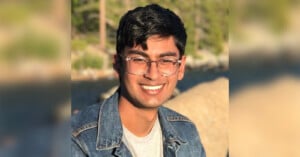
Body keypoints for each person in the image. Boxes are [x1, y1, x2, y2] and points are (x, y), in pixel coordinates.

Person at [72, 4, 206, 157]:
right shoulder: (77, 141)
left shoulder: (186, 133)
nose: (153, 74)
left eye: (166, 61)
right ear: (118, 65)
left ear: (180, 68)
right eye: (139, 59)